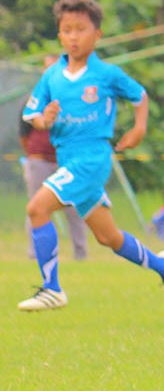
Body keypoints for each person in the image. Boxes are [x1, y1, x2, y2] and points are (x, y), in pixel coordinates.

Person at [19, 0, 164, 311]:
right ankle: (163, 266)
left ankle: (51, 288)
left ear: (97, 34)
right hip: (68, 158)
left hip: (92, 158)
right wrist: (46, 119)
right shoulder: (52, 76)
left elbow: (140, 95)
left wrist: (139, 129)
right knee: (108, 237)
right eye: (66, 29)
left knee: (36, 209)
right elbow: (33, 114)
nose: (73, 36)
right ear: (59, 34)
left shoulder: (107, 74)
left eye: (80, 29)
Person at [20, 52, 89, 261]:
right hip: (39, 160)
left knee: (74, 207)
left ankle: (80, 255)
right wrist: (35, 155)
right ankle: (35, 254)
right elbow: (24, 133)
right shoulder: (33, 100)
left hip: (65, 162)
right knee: (36, 206)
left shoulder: (73, 99)